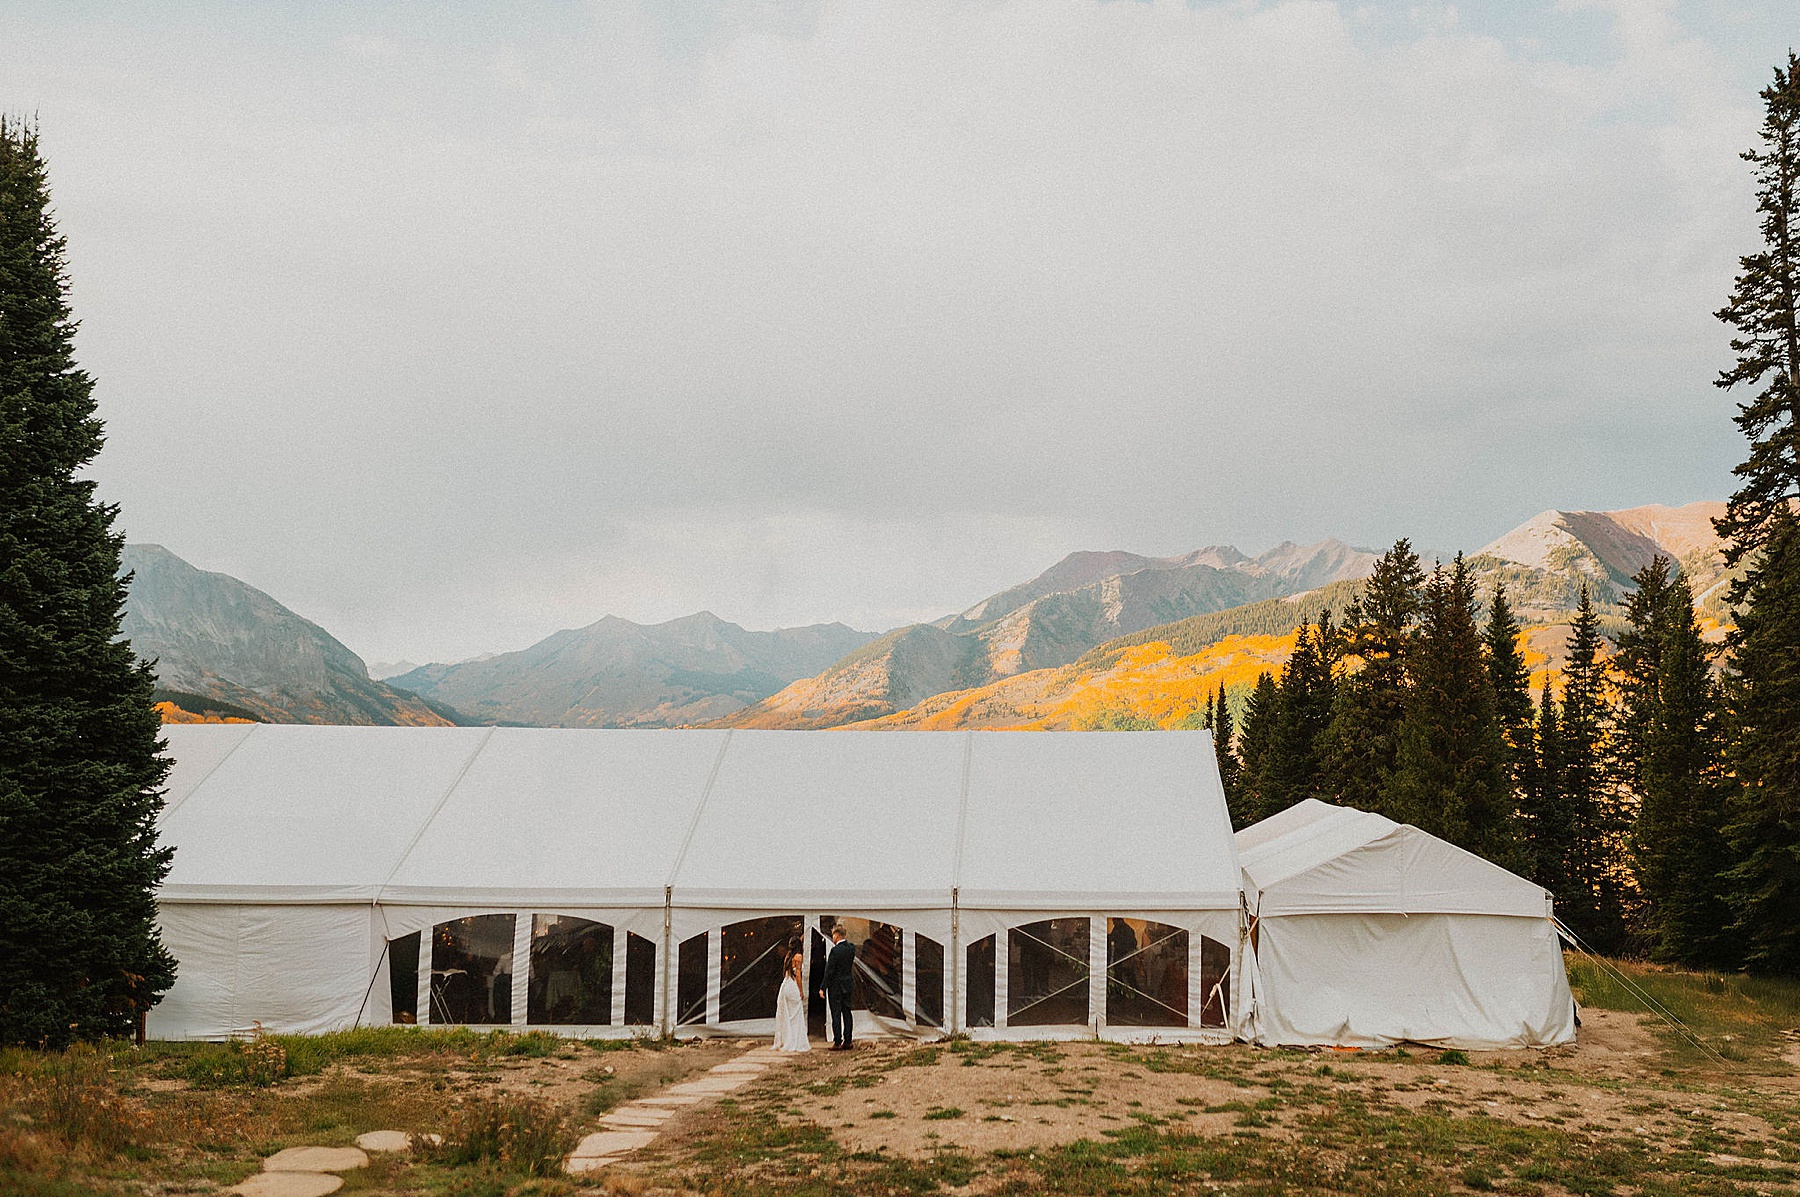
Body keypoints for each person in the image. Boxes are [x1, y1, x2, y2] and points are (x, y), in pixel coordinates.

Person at [820, 924, 856, 1050]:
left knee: (836, 1013)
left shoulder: (835, 951)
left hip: (836, 986)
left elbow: (829, 971)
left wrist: (823, 987)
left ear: (836, 935)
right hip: (848, 984)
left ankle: (837, 1041)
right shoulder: (851, 948)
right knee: (847, 1013)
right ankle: (848, 1040)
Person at [772, 947, 809, 1052]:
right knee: (795, 1015)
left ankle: (787, 1038)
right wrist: (801, 990)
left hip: (785, 984)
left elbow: (785, 973)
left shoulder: (788, 956)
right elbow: (798, 975)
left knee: (788, 1015)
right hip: (792, 985)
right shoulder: (798, 956)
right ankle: (795, 1041)